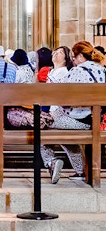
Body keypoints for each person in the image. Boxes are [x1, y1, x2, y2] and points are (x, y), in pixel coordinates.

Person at [41, 41, 106, 183]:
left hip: (77, 120)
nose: (74, 61)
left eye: (74, 57)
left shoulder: (77, 71)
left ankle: (51, 161)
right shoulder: (101, 70)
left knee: (39, 124)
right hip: (94, 120)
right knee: (64, 136)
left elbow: (63, 99)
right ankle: (80, 171)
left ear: (81, 56)